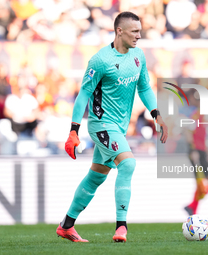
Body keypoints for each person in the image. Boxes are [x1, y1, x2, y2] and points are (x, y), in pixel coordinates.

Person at [56, 11, 168, 243]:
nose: (139, 35)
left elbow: (144, 87)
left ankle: (67, 225)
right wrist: (74, 130)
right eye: (134, 31)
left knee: (96, 177)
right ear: (119, 31)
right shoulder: (100, 60)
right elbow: (83, 95)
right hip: (101, 125)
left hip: (119, 127)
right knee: (128, 164)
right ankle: (121, 227)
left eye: (140, 31)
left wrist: (156, 114)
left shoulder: (138, 56)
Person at [182, 90, 208, 215]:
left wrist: (206, 152)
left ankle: (192, 207)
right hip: (196, 151)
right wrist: (194, 149)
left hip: (202, 151)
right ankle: (192, 209)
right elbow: (188, 132)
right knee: (202, 183)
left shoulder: (204, 117)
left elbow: (202, 136)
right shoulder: (196, 116)